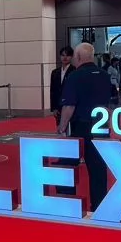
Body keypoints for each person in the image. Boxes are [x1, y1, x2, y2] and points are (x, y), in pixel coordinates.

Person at [57, 43, 113, 211]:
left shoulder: (75, 76)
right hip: (101, 126)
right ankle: (99, 206)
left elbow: (69, 105)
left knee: (66, 164)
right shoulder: (104, 75)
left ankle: (66, 202)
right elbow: (110, 102)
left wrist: (61, 127)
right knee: (98, 169)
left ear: (78, 57)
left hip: (80, 127)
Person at [49, 45, 75, 127]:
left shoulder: (75, 71)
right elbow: (52, 91)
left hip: (70, 104)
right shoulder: (55, 72)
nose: (65, 58)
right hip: (58, 104)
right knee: (59, 127)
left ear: (71, 57)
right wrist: (54, 108)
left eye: (67, 55)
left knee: (70, 127)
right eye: (63, 55)